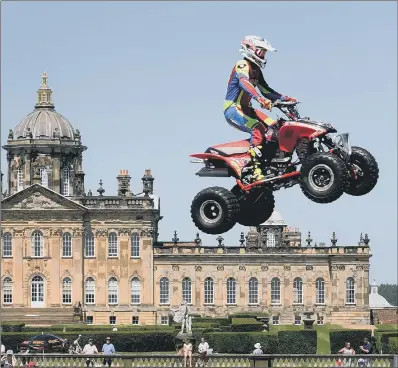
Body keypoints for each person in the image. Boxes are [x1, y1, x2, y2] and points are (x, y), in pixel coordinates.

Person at [224, 35, 296, 181]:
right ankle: (256, 170)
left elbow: (266, 90)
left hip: (247, 109)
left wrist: (284, 98)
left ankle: (273, 162)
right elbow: (244, 83)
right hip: (233, 109)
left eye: (264, 52)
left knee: (275, 127)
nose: (263, 55)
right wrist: (259, 99)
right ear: (251, 50)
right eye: (261, 51)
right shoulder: (242, 65)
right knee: (257, 128)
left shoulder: (256, 70)